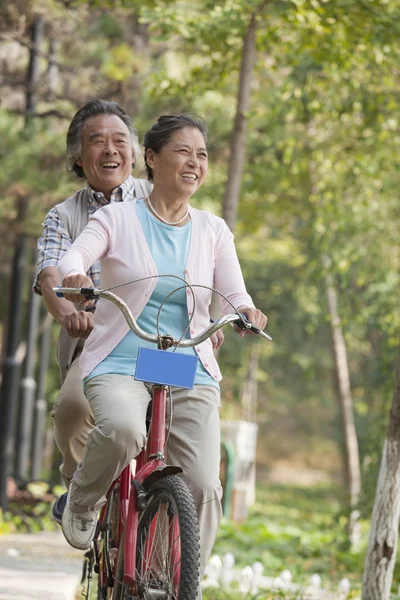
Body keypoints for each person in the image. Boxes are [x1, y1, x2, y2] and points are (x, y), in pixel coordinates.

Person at [58, 115, 268, 583]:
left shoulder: (213, 230)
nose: (195, 162)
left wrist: (246, 312)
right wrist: (74, 275)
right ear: (151, 159)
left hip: (183, 362)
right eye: (183, 151)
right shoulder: (115, 217)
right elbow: (77, 255)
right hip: (122, 358)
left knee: (202, 485)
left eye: (203, 155)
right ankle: (83, 500)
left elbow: (235, 293)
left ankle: (175, 581)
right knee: (123, 430)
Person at [34, 99, 154, 521]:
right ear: (77, 156)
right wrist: (67, 311)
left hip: (159, 343)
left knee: (185, 409)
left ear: (136, 152)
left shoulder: (160, 200)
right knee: (73, 410)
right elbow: (51, 276)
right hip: (97, 344)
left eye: (120, 140)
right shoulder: (64, 216)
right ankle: (84, 490)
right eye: (97, 142)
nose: (110, 150)